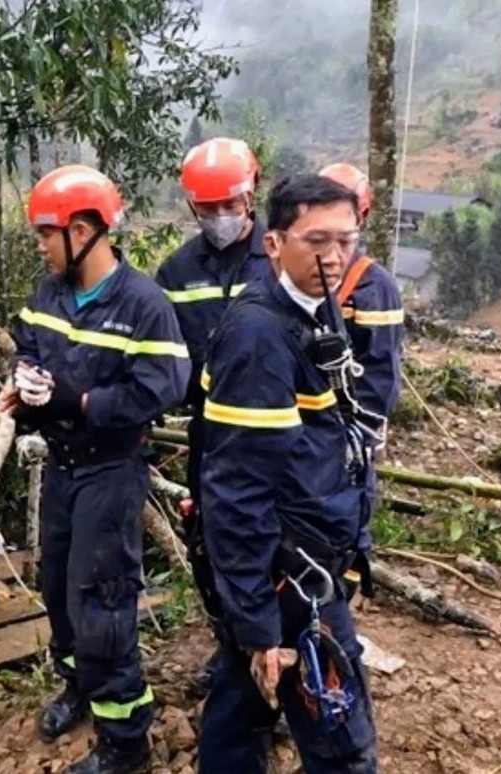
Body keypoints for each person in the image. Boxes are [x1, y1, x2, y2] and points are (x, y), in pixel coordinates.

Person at [0, 164, 190, 774]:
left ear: (82, 230)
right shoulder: (49, 293)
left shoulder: (143, 305)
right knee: (57, 590)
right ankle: (77, 687)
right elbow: (26, 346)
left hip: (111, 472)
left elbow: (160, 389)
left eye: (46, 233)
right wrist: (21, 384)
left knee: (103, 603)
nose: (40, 244)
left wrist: (79, 402)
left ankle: (125, 741)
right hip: (62, 467)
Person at [197, 174, 379, 773]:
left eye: (345, 241)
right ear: (273, 244)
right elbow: (236, 490)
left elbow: (333, 437)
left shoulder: (316, 307)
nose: (333, 256)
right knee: (339, 737)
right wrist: (258, 623)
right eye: (316, 240)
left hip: (307, 555)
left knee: (242, 704)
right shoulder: (259, 336)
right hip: (287, 573)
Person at [154, 137, 274, 691]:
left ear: (251, 196)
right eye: (209, 209)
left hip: (277, 430)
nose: (222, 217)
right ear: (192, 208)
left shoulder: (280, 256)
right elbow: (163, 353)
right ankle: (231, 646)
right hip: (210, 431)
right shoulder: (177, 273)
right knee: (209, 539)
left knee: (278, 541)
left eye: (231, 205)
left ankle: (281, 652)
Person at [317, 163, 405, 600]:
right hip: (307, 421)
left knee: (350, 510)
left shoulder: (373, 287)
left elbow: (381, 369)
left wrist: (359, 432)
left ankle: (345, 593)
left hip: (349, 424)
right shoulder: (302, 277)